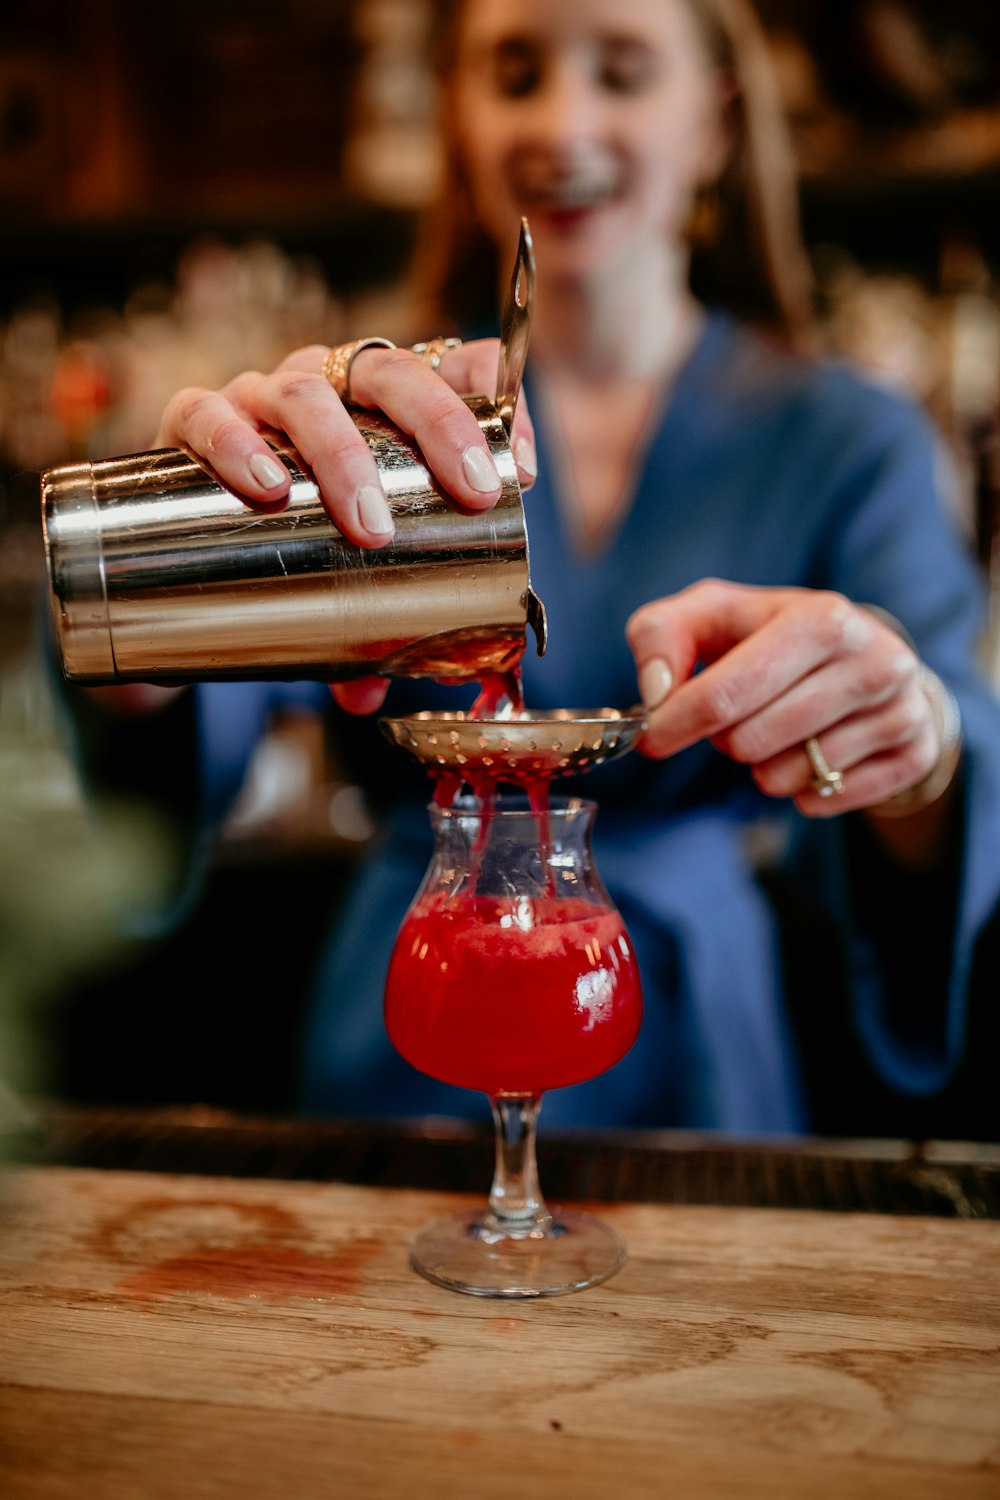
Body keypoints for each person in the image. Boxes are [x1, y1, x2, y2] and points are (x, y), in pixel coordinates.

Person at [54, 0, 1000, 1139]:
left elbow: (944, 765)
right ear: (454, 114)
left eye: (623, 69)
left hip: (697, 1061)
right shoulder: (372, 428)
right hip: (413, 1061)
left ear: (715, 119)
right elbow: (147, 767)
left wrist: (912, 739)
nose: (561, 120)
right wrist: (176, 556)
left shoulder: (850, 440)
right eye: (514, 72)